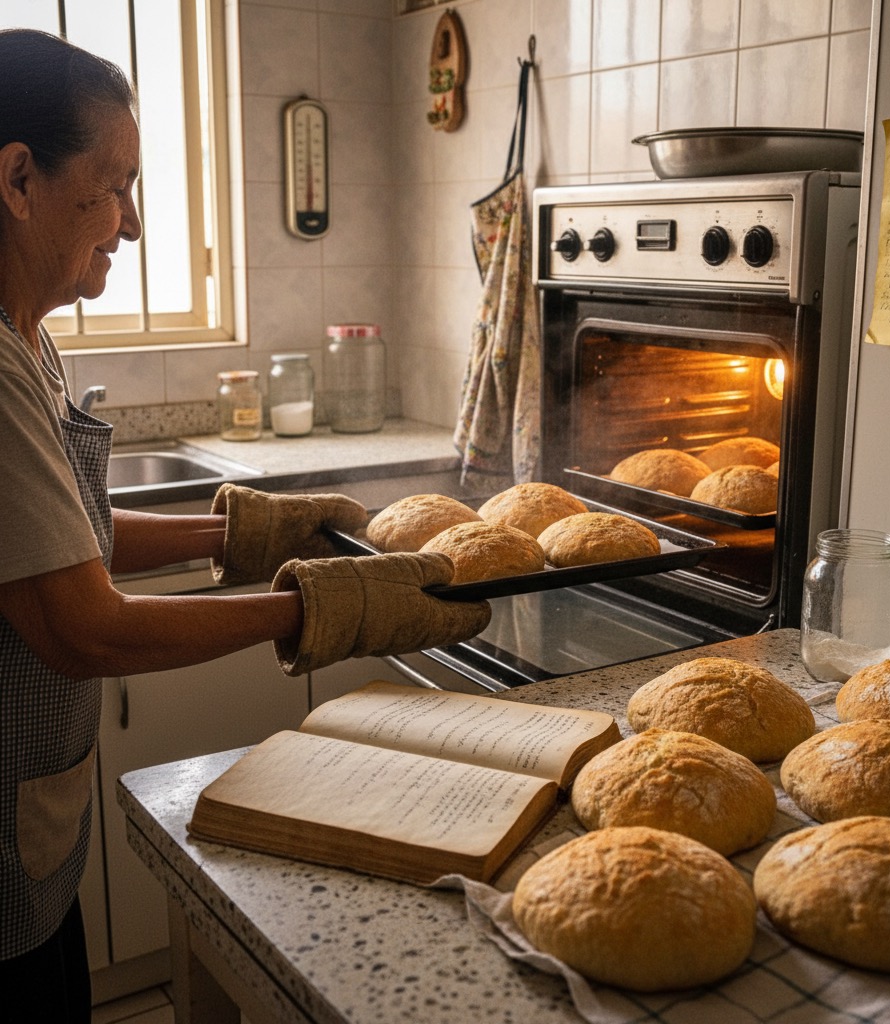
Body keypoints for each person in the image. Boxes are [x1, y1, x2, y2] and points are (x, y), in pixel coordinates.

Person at [0, 28, 490, 1022]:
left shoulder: (28, 338)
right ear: (18, 178)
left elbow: (67, 535)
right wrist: (315, 604)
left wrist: (242, 535)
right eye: (113, 184)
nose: (130, 224)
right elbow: (81, 624)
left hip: (32, 820)